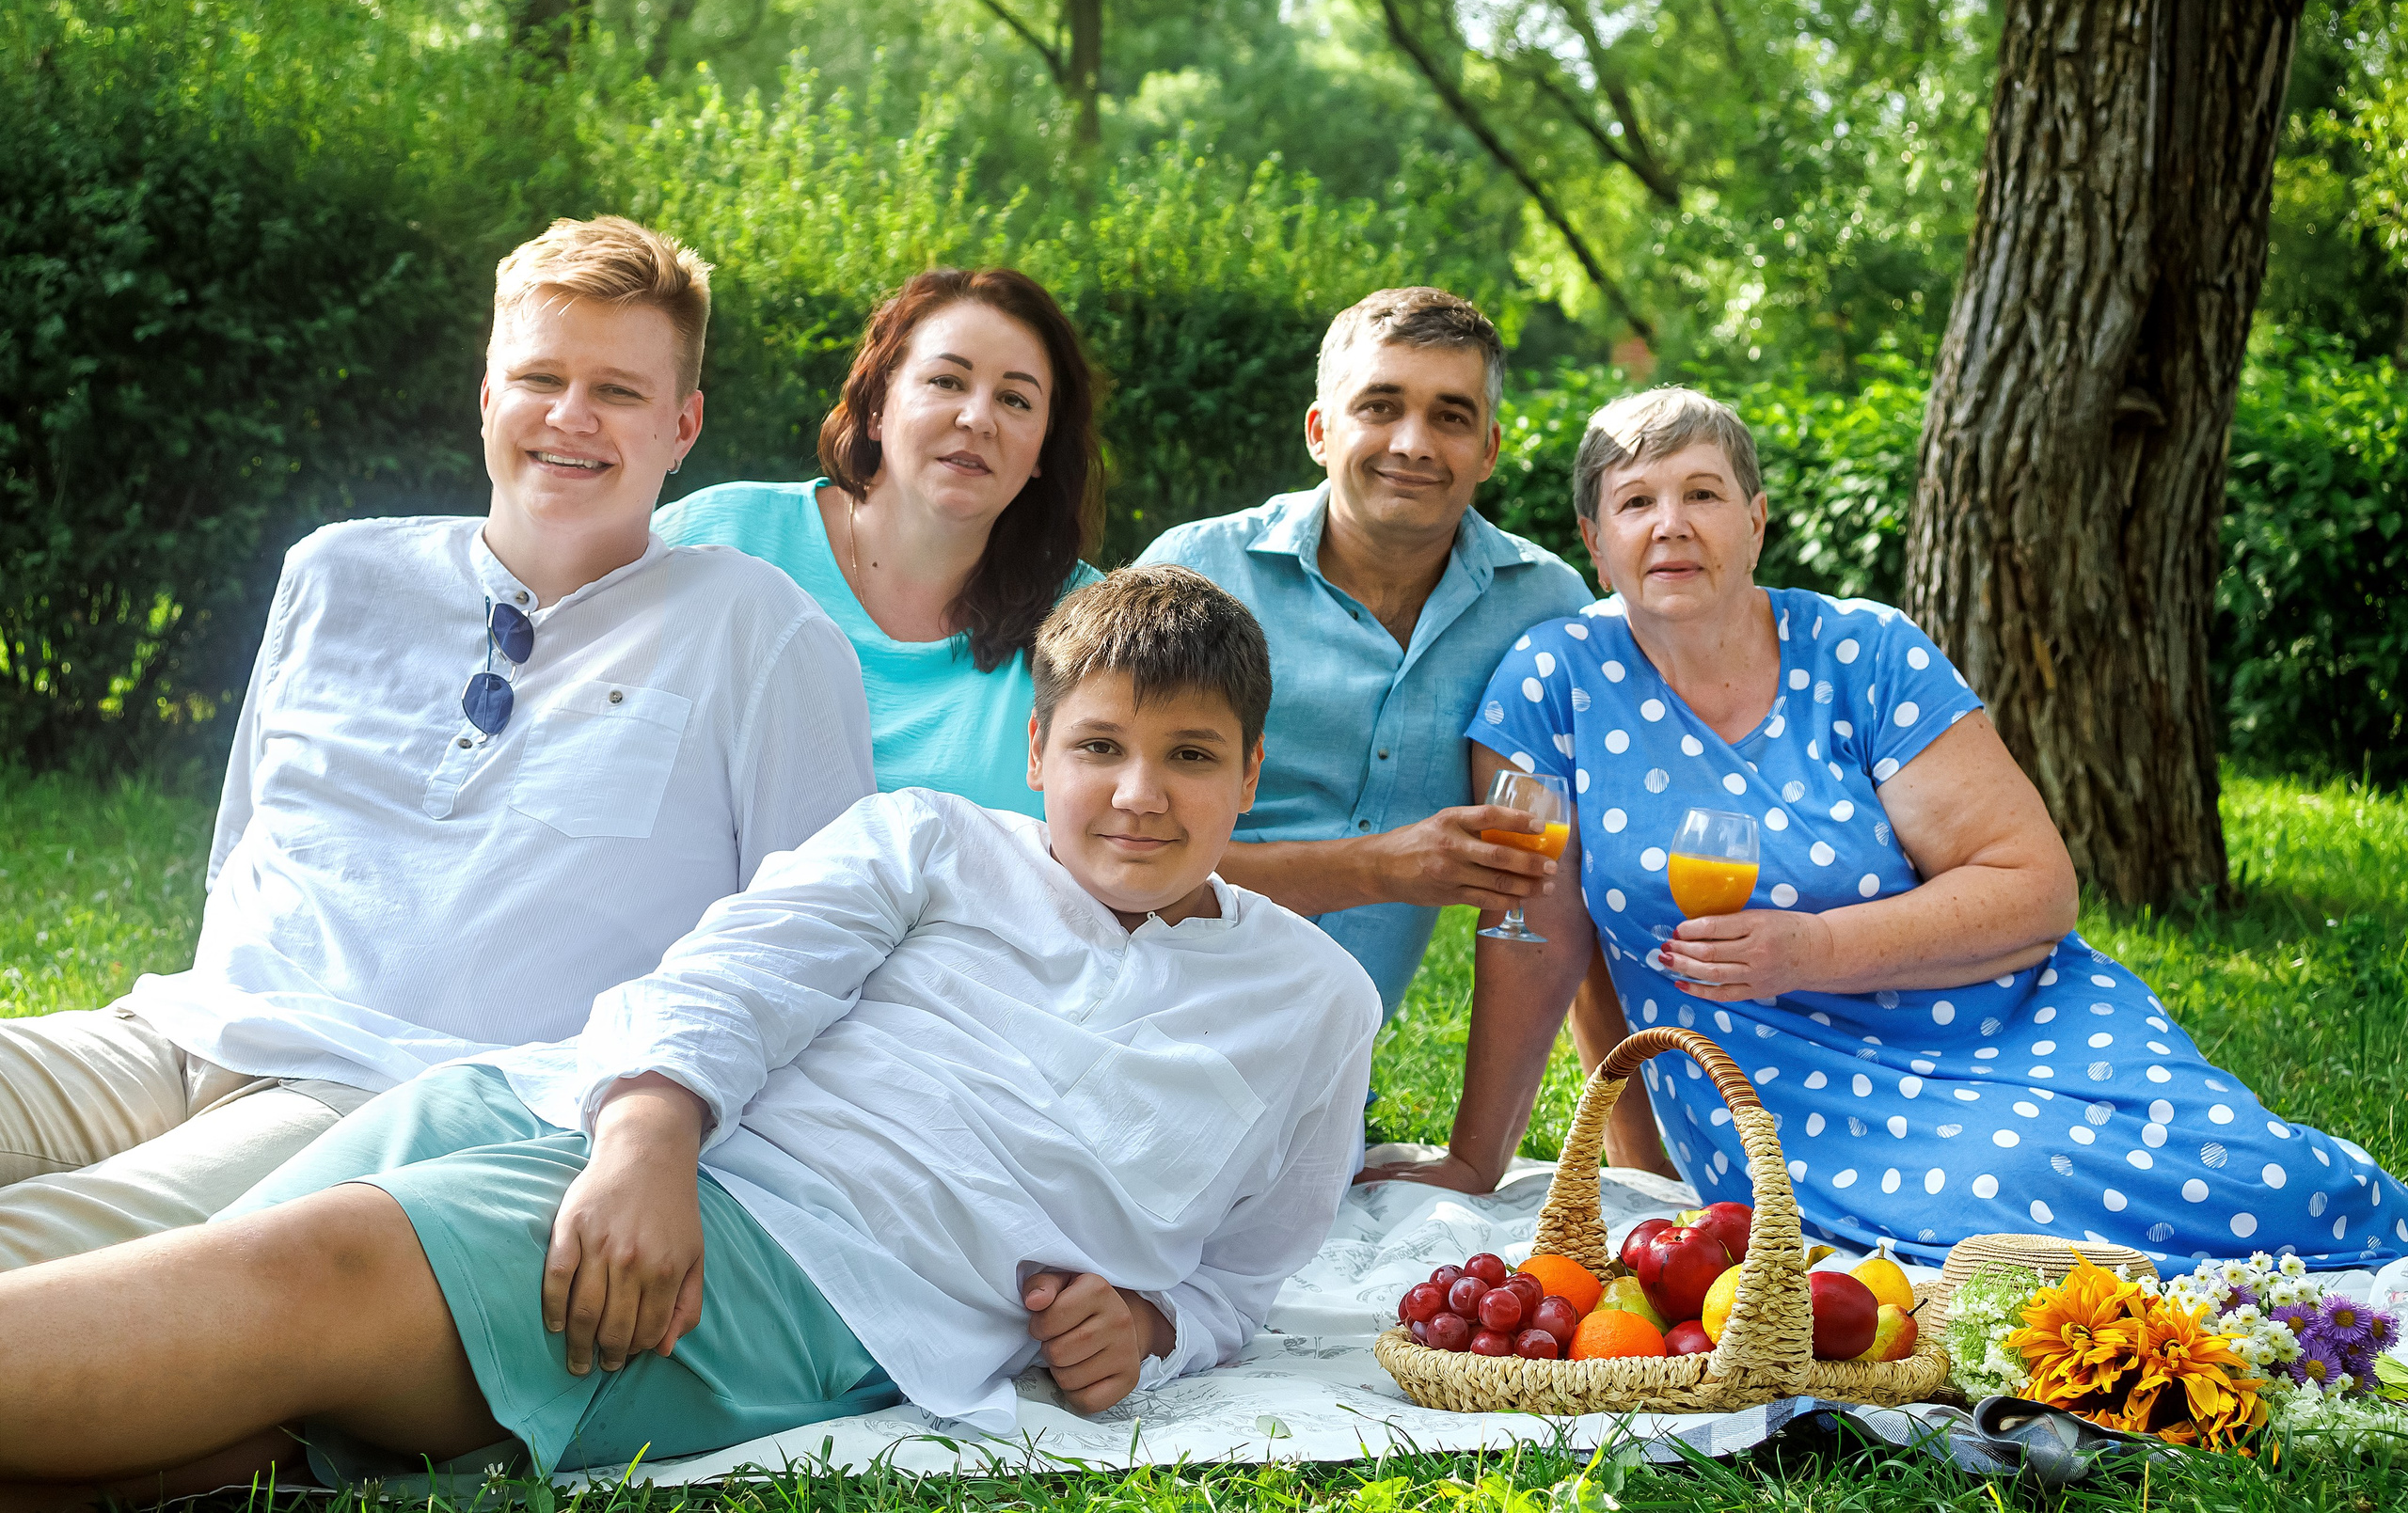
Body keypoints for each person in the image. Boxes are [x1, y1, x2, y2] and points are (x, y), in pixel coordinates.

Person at [0, 566, 1381, 1496]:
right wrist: (648, 1131)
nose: (1139, 793)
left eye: (1190, 755)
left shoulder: (1317, 1003)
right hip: (593, 1110)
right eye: (1100, 746)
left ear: (1251, 772)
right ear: (1037, 754)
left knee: (306, 1285)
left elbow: (1245, 1275)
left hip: (808, 1258)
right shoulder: (936, 838)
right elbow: (740, 966)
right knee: (227, 1386)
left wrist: (1151, 1321)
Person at [0, 216, 873, 1270]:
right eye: (538, 375)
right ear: (486, 395)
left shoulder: (758, 631)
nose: (569, 415)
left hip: (389, 1094)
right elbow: (241, 848)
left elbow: (819, 939)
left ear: (682, 425)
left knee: (35, 1254)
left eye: (619, 391)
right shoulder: (335, 574)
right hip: (176, 1032)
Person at [1395, 386, 2407, 1269]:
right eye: (1635, 501)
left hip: (2011, 1017)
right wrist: (1495, 1155)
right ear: (1593, 539)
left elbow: (2033, 885)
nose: (1670, 524)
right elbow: (1543, 938)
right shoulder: (1551, 683)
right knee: (1992, 1195)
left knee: (2247, 1170)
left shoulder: (1863, 650)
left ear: (1754, 519)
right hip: (1773, 1087)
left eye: (1701, 493)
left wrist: (1809, 946)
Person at [1135, 287, 1592, 1019]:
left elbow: (1567, 893)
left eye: (1450, 416)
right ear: (1320, 431)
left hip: (1330, 1070)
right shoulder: (1196, 572)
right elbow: (1110, 845)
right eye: (1380, 406)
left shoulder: (1547, 607)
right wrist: (1379, 869)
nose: (1412, 442)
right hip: (1138, 1002)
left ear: (1489, 451)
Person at [653, 269, 1102, 816]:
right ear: (876, 409)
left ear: (1042, 451)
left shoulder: (1086, 624)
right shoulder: (722, 538)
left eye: (1015, 400)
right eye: (946, 381)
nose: (978, 418)